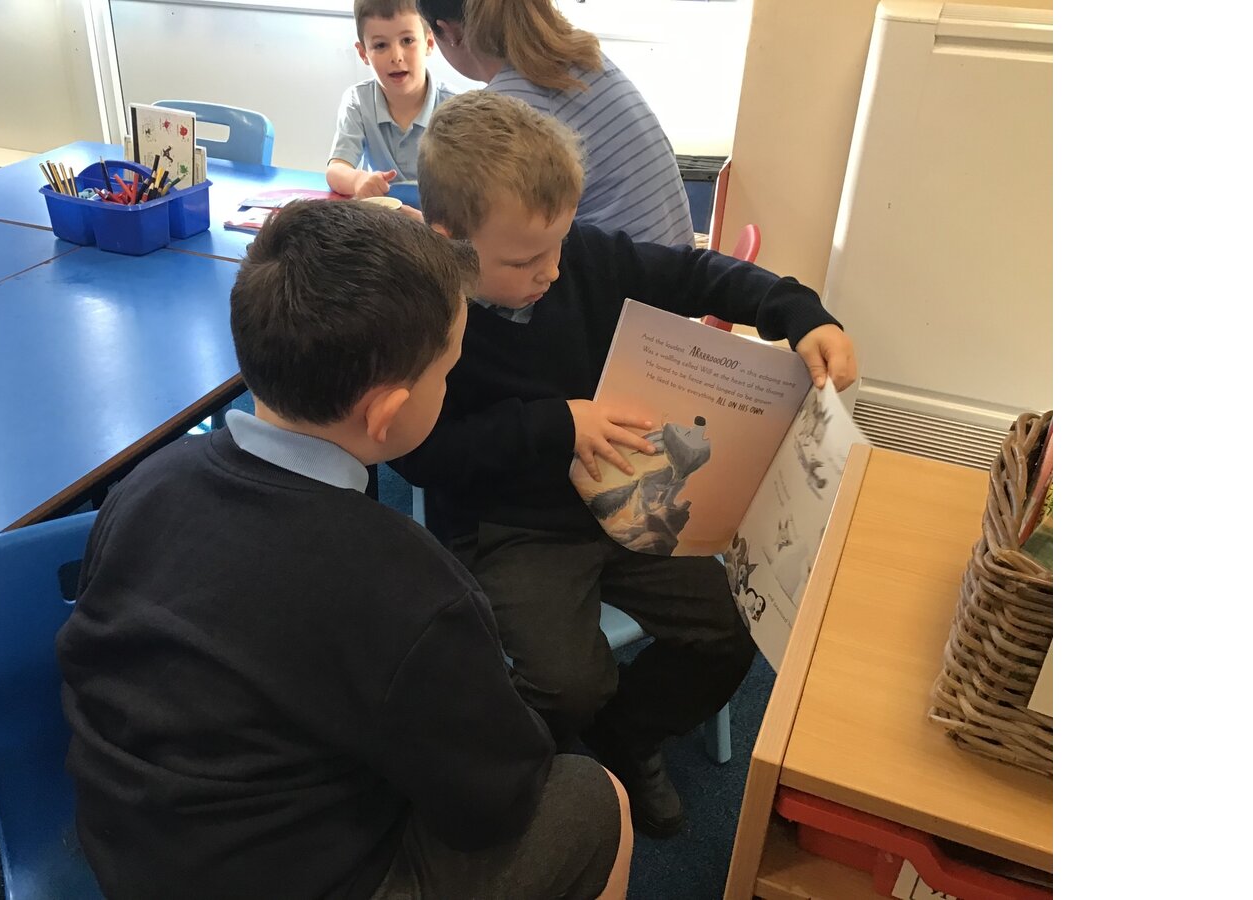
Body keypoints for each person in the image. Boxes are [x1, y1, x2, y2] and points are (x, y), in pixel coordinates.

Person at [57, 199, 632, 900]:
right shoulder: (412, 586)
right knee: (595, 799)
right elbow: (495, 803)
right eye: (446, 373)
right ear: (387, 413)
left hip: (129, 850)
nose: (450, 385)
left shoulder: (146, 484)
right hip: (318, 875)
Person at [392, 91, 859, 837]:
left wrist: (797, 311)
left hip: (624, 497)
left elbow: (696, 273)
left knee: (733, 628)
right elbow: (423, 455)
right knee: (567, 682)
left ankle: (629, 733)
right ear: (448, 239)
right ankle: (535, 764)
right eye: (524, 260)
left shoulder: (581, 258)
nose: (551, 271)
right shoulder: (422, 315)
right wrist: (557, 426)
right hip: (513, 527)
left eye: (558, 244)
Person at [417, 0, 694, 247]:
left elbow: (493, 247)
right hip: (674, 269)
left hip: (623, 280)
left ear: (449, 32)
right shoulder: (586, 57)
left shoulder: (509, 110)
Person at [327, 0, 458, 199]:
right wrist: (359, 180)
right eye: (380, 45)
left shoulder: (455, 108)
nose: (396, 57)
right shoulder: (358, 101)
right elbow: (336, 170)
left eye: (407, 41)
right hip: (382, 214)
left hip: (437, 217)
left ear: (429, 43)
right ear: (363, 53)